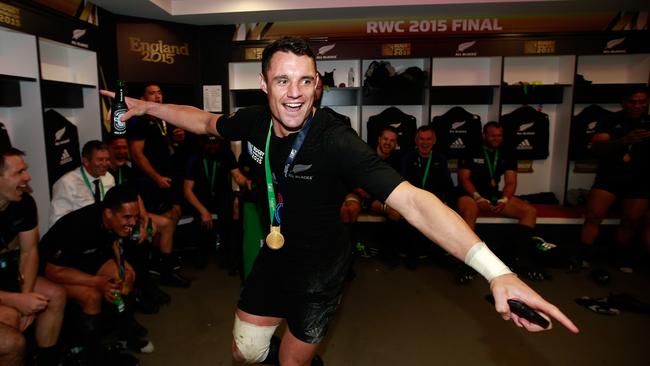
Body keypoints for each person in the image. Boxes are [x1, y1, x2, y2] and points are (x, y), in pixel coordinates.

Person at [102, 36, 578, 366]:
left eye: (305, 81)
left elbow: (413, 201)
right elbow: (204, 121)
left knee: (292, 360)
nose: (294, 94)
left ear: (318, 85)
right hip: (273, 259)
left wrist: (499, 272)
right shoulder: (252, 121)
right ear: (264, 85)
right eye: (282, 81)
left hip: (320, 272)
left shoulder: (335, 139)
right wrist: (144, 107)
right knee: (244, 353)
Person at [43, 185, 153, 365]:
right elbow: (52, 271)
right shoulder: (78, 227)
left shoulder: (111, 219)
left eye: (135, 217)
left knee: (127, 276)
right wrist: (97, 282)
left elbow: (114, 243)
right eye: (127, 217)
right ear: (109, 213)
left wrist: (122, 267)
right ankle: (93, 357)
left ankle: (125, 336)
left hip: (86, 257)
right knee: (91, 296)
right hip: (57, 268)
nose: (133, 223)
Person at [456, 122, 555, 280]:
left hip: (493, 195)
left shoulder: (507, 153)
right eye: (492, 135)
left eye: (499, 135)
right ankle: (466, 263)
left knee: (529, 211)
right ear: (484, 135)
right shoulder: (471, 150)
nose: (496, 138)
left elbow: (510, 182)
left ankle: (520, 260)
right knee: (469, 212)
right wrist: (477, 197)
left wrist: (504, 199)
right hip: (469, 194)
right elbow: (464, 179)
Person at [0, 147, 66, 366]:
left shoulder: (24, 203)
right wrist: (16, 301)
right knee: (9, 317)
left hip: (7, 273)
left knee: (54, 294)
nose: (27, 177)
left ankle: (45, 360)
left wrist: (25, 295)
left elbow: (29, 252)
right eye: (19, 173)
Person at [578, 86, 650, 273]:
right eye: (633, 101)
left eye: (642, 101)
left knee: (631, 220)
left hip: (639, 178)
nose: (637, 105)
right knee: (593, 215)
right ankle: (583, 256)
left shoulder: (648, 123)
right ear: (624, 102)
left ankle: (619, 257)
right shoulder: (609, 121)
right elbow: (597, 148)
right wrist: (624, 141)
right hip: (610, 176)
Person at [183, 135, 251, 270]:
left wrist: (248, 182)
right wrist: (203, 211)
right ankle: (200, 253)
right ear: (203, 144)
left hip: (221, 195)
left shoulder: (225, 154)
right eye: (209, 144)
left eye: (215, 144)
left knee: (231, 213)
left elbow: (237, 175)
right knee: (200, 222)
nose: (212, 147)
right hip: (201, 198)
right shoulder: (194, 159)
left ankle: (229, 256)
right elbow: (187, 191)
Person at [400, 126, 454, 269]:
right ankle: (413, 253)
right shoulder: (408, 158)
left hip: (435, 202)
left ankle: (438, 253)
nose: (425, 142)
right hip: (414, 200)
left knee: (443, 213)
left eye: (428, 139)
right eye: (421, 139)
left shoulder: (440, 159)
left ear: (434, 141)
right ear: (416, 141)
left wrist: (445, 201)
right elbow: (404, 183)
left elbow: (448, 184)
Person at [49, 140, 115, 226]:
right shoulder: (66, 183)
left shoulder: (109, 178)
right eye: (100, 160)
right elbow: (57, 222)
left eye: (107, 159)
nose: (105, 164)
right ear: (86, 161)